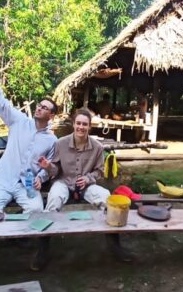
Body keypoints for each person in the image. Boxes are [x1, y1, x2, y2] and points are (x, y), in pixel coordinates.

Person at [33, 109, 132, 271]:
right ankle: (42, 250)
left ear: (89, 127)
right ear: (73, 124)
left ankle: (115, 245)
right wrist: (48, 166)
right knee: (54, 198)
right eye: (78, 123)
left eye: (85, 124)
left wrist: (87, 178)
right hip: (63, 182)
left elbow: (99, 171)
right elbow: (56, 169)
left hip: (85, 186)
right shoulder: (61, 143)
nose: (81, 127)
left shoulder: (98, 147)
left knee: (106, 197)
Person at [0, 49, 57, 215]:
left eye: (45, 108)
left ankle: (23, 239)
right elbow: (0, 101)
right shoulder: (18, 121)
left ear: (51, 115)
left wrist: (41, 177)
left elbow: (50, 166)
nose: (39, 108)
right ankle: (4, 236)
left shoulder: (52, 140)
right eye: (39, 105)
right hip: (4, 179)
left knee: (36, 209)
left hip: (27, 184)